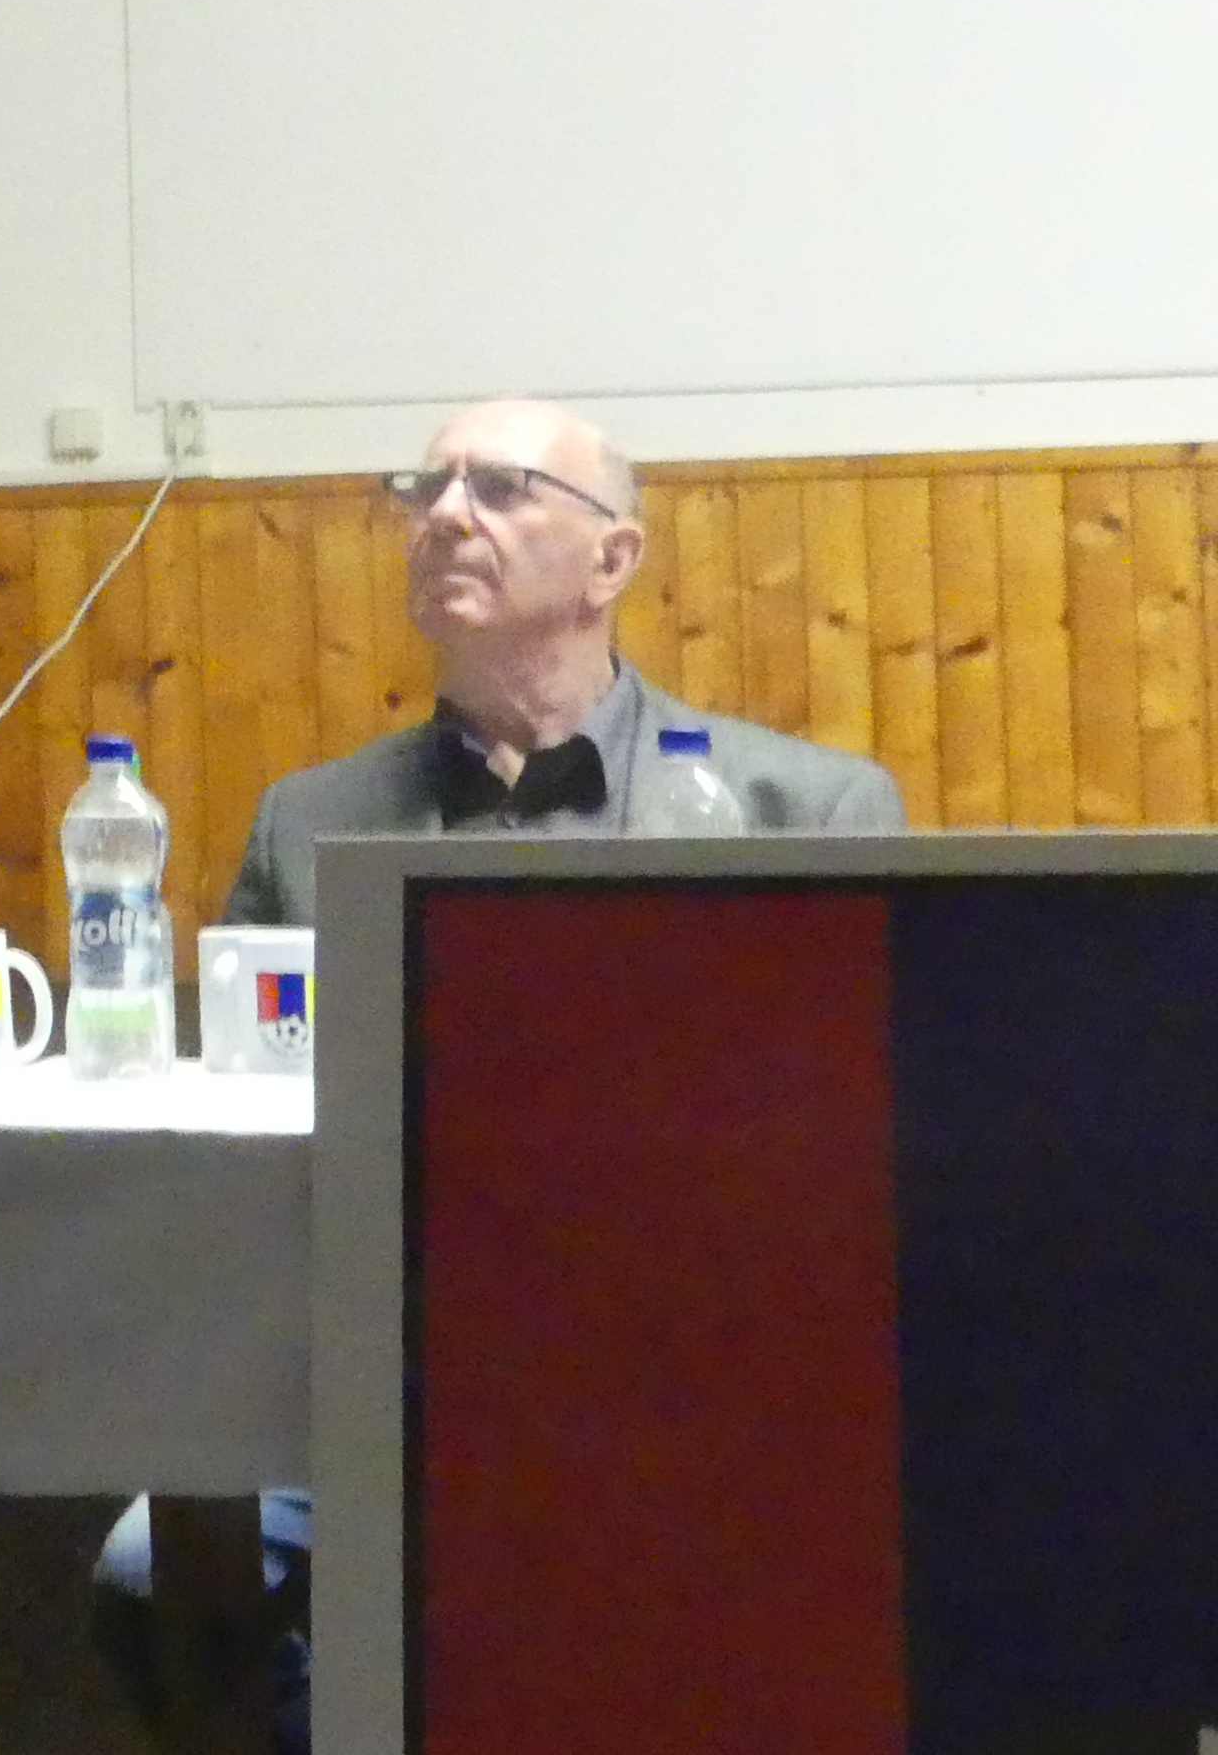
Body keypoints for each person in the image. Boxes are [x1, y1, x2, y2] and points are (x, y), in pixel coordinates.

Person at [90, 392, 907, 1752]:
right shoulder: (313, 822)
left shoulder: (803, 809)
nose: (445, 515)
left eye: (502, 486)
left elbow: (843, 1167)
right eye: (428, 488)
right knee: (147, 1577)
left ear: (613, 559)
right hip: (384, 1388)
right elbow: (247, 1130)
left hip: (699, 1395)